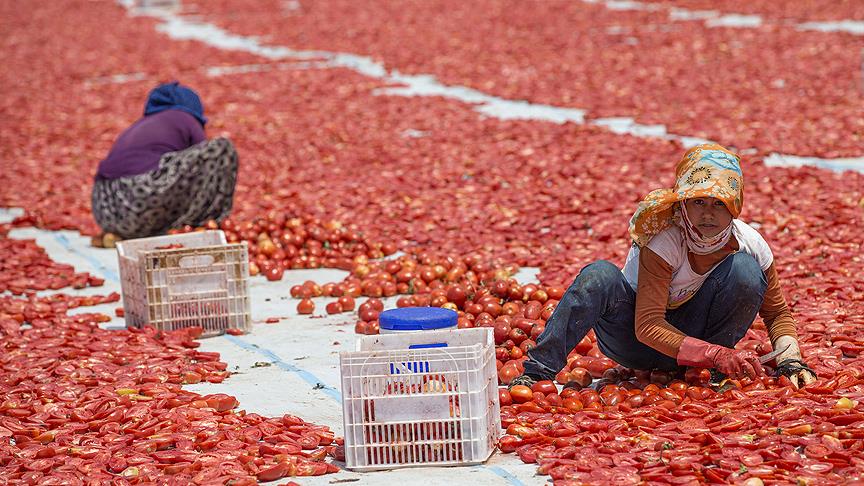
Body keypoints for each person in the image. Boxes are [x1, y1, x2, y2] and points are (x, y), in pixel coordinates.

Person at [512, 143, 816, 389]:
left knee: (745, 270)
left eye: (719, 203)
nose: (708, 213)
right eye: (698, 201)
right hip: (635, 342)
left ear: (735, 207)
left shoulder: (750, 243)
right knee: (599, 275)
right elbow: (647, 327)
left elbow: (777, 313)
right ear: (682, 202)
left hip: (699, 344)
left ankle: (717, 374)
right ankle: (538, 372)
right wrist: (715, 354)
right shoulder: (665, 241)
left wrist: (791, 360)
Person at [91, 81, 238, 245]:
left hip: (105, 209)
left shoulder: (142, 124)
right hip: (139, 198)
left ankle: (130, 233)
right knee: (221, 148)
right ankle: (204, 227)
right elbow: (204, 161)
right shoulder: (185, 117)